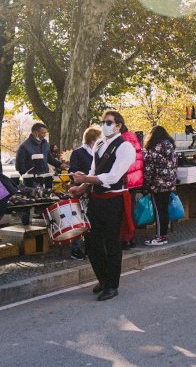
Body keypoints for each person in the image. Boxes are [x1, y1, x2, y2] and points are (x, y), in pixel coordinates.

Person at [69, 110, 136, 301]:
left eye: (109, 122)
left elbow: (113, 176)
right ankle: (103, 278)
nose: (105, 124)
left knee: (112, 244)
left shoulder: (125, 147)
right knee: (92, 243)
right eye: (103, 121)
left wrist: (86, 179)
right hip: (97, 200)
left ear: (118, 126)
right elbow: (93, 171)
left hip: (114, 200)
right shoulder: (99, 143)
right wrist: (82, 187)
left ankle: (112, 285)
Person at [15, 123, 65, 224]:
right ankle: (25, 226)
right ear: (35, 132)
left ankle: (45, 226)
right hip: (30, 181)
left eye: (45, 133)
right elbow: (19, 166)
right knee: (28, 204)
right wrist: (28, 177)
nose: (44, 135)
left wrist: (60, 165)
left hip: (45, 179)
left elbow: (49, 158)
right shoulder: (24, 147)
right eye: (43, 133)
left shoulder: (45, 143)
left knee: (46, 203)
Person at [68, 126, 103, 261]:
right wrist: (79, 175)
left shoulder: (100, 153)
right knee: (79, 220)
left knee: (92, 222)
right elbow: (72, 171)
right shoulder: (78, 153)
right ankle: (75, 249)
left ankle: (90, 248)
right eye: (99, 138)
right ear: (92, 139)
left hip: (96, 191)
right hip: (82, 192)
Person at [142, 126, 177, 246]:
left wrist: (145, 186)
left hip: (156, 185)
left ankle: (159, 236)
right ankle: (164, 234)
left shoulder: (152, 151)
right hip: (169, 184)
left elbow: (148, 171)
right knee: (164, 211)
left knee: (158, 211)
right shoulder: (171, 148)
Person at [119, 125, 144, 249]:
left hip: (125, 181)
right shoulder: (135, 139)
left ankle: (125, 239)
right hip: (136, 180)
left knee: (123, 212)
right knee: (131, 209)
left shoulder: (121, 141)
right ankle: (131, 238)